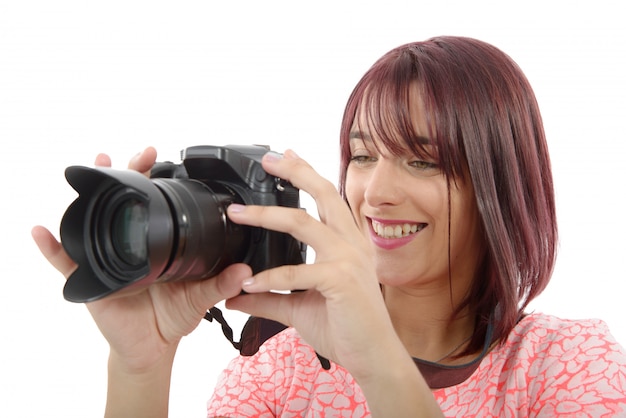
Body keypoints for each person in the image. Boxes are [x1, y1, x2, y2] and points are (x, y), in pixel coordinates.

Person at [32, 36, 626, 417]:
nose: (376, 193)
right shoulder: (275, 373)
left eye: (423, 160)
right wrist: (140, 370)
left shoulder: (563, 362)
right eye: (363, 156)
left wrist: (379, 362)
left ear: (500, 185)